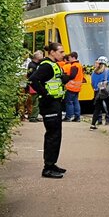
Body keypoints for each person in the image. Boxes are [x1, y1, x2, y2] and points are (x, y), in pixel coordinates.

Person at [29, 42, 68, 178]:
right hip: (50, 104)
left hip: (55, 102)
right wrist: (45, 94)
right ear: (52, 52)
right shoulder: (46, 65)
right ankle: (48, 168)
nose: (63, 54)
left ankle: (51, 164)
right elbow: (33, 79)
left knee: (55, 135)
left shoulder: (53, 64)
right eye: (61, 52)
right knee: (53, 136)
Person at [89, 56, 109, 130]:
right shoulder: (107, 71)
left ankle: (93, 124)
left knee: (97, 109)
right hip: (106, 92)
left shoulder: (94, 72)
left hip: (97, 92)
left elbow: (92, 83)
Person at [63, 52, 84, 122]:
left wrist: (65, 77)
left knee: (69, 102)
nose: (68, 59)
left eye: (69, 58)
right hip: (77, 87)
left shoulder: (74, 66)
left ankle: (68, 116)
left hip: (72, 87)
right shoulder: (79, 65)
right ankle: (77, 117)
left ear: (73, 57)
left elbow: (72, 76)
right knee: (76, 102)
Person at [24, 50, 44, 122]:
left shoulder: (33, 64)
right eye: (42, 55)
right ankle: (32, 116)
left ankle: (33, 116)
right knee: (34, 102)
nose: (43, 57)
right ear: (37, 57)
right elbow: (33, 77)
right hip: (33, 86)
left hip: (32, 85)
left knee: (34, 102)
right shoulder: (33, 66)